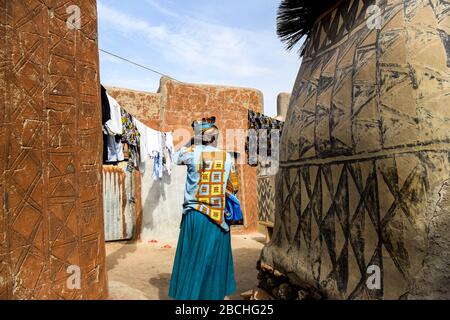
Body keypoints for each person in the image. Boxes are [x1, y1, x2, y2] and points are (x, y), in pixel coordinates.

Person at [168, 116, 239, 300]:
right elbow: (234, 186)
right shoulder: (227, 157)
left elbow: (173, 157)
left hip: (196, 216)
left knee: (193, 260)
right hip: (219, 217)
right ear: (214, 137)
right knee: (214, 264)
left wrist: (192, 142)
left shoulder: (190, 153)